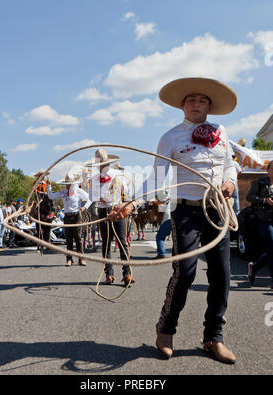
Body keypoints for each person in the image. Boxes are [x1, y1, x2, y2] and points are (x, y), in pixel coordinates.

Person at [110, 77, 238, 364]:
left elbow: (230, 165)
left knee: (222, 274)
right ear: (182, 105)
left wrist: (230, 182)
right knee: (186, 271)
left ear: (210, 105)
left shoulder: (222, 131)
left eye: (202, 100)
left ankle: (213, 337)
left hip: (217, 209)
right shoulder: (170, 137)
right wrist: (132, 202)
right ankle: (165, 330)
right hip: (186, 211)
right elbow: (156, 178)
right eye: (191, 100)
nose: (196, 104)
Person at [87, 149, 135, 286]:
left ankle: (127, 273)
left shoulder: (118, 174)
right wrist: (99, 198)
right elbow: (91, 196)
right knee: (106, 243)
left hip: (117, 211)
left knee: (122, 241)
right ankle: (109, 274)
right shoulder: (94, 178)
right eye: (99, 164)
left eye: (103, 163)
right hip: (103, 211)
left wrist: (124, 205)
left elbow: (126, 192)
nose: (101, 166)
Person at [47, 173, 91, 266]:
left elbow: (90, 198)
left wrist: (84, 207)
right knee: (69, 238)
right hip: (67, 217)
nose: (68, 185)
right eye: (67, 183)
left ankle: (81, 258)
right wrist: (48, 186)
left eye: (69, 183)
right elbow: (51, 196)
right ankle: (69, 259)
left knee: (78, 238)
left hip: (76, 216)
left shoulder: (79, 191)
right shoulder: (63, 192)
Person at [246, 160, 273, 290]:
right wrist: (265, 200)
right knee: (272, 246)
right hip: (264, 219)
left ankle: (254, 267)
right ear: (268, 170)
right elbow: (249, 197)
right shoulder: (260, 182)